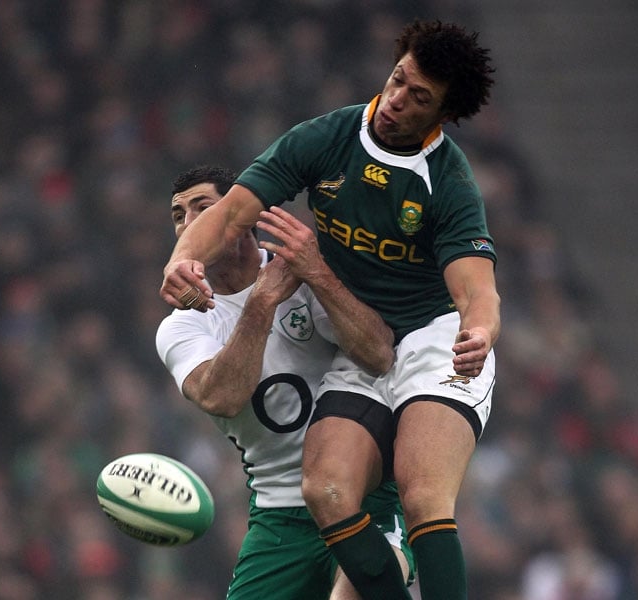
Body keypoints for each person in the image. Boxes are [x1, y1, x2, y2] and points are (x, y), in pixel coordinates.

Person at [160, 20, 500, 600]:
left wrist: (482, 329)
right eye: (398, 80)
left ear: (442, 114)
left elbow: (471, 291)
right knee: (326, 491)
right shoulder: (326, 138)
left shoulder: (444, 181)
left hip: (433, 338)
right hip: (284, 501)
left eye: (419, 97)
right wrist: (181, 260)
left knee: (421, 495)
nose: (396, 101)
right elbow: (235, 209)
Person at [155, 166, 414, 599]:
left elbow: (378, 354)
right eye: (179, 216)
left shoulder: (306, 270)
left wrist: (319, 275)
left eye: (203, 207)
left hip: (360, 496)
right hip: (278, 517)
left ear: (240, 214)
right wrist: (261, 300)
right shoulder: (180, 326)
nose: (189, 223)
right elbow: (222, 396)